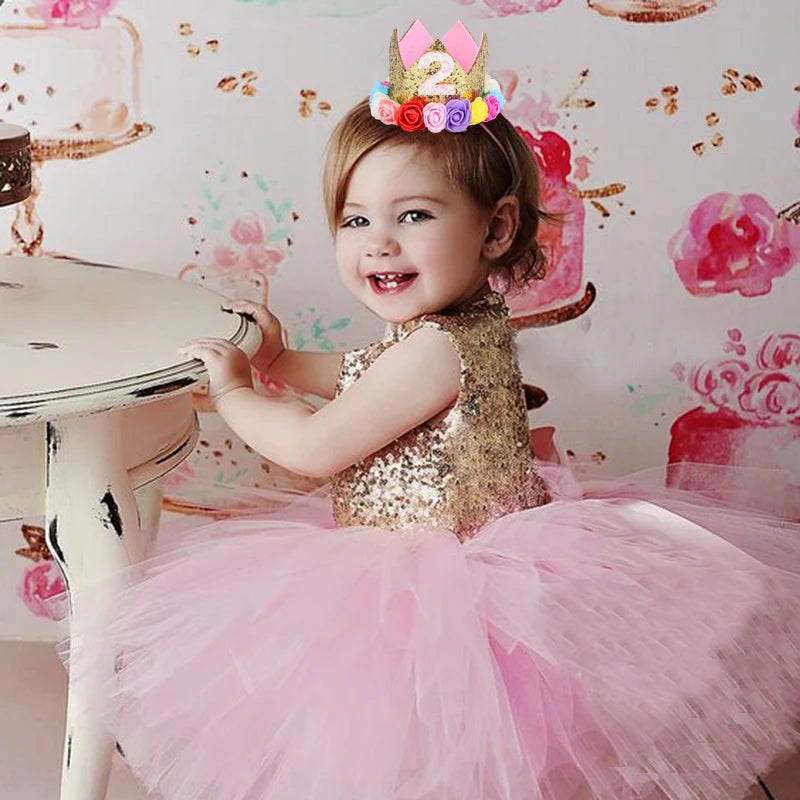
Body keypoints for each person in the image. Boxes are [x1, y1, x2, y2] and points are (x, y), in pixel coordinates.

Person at [66, 21, 800, 800]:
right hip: (444, 559)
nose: (378, 243)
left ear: (498, 227)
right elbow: (365, 375)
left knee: (430, 744)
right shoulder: (459, 328)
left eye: (413, 216)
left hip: (446, 587)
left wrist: (239, 391)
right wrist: (283, 363)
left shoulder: (434, 350)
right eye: (355, 220)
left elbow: (318, 448)